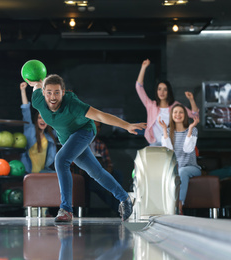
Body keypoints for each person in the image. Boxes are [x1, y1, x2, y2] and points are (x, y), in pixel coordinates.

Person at [26, 74, 147, 222]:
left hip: (84, 131)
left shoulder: (72, 104)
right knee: (96, 172)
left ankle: (66, 209)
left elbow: (100, 116)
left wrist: (126, 125)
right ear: (43, 92)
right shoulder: (38, 100)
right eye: (49, 92)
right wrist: (37, 82)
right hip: (67, 139)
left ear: (63, 92)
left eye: (57, 92)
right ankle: (125, 198)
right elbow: (37, 86)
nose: (53, 97)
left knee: (61, 159)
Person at [136, 59, 199, 146]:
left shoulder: (175, 106)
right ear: (156, 91)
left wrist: (191, 100)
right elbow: (139, 87)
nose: (162, 92)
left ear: (169, 91)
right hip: (155, 144)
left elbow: (194, 115)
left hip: (172, 144)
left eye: (165, 89)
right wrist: (143, 67)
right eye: (159, 89)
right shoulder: (151, 105)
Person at [159, 103, 201, 215]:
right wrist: (164, 130)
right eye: (175, 112)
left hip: (191, 168)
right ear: (171, 115)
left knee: (182, 171)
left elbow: (188, 149)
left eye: (181, 112)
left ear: (185, 115)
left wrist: (191, 128)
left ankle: (179, 205)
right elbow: (168, 151)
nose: (178, 114)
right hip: (174, 169)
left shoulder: (193, 130)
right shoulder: (167, 132)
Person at [20, 81, 57, 173]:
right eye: (40, 118)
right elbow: (26, 110)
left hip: (43, 172)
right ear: (36, 120)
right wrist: (23, 90)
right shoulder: (30, 130)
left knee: (58, 176)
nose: (42, 121)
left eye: (44, 118)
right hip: (29, 172)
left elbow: (59, 120)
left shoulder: (49, 136)